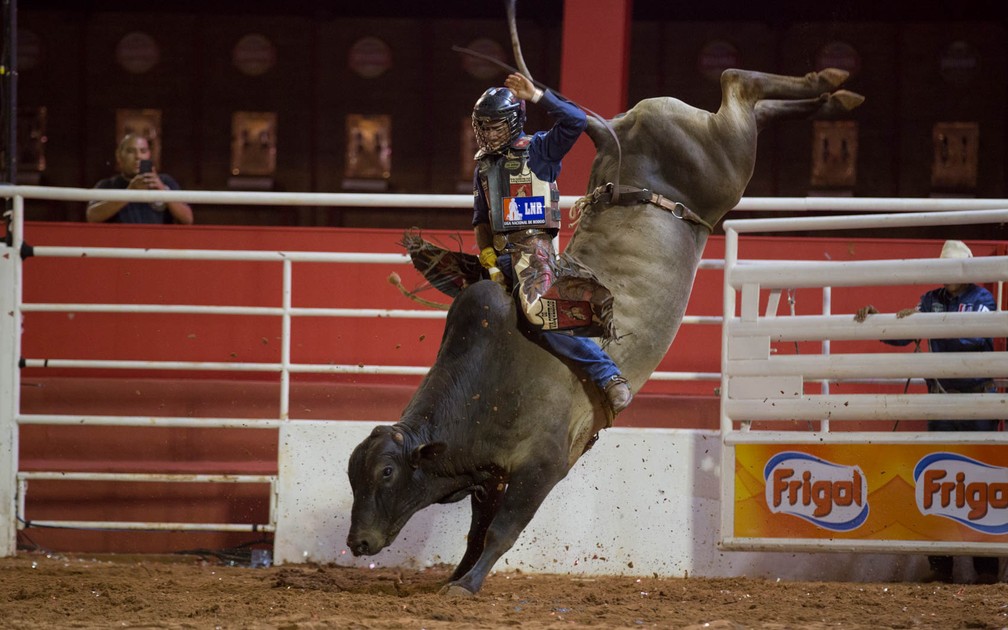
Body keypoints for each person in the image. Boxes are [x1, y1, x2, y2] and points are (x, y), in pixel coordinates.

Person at [470, 72, 632, 418]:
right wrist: (488, 259)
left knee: (539, 311)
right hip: (498, 254)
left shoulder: (540, 150)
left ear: (513, 124)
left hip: (533, 248)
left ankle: (607, 375)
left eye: (495, 126)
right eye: (483, 126)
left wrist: (536, 94)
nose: (487, 133)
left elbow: (575, 121)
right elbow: (481, 219)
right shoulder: (483, 167)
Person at [855, 239, 1000, 584]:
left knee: (978, 477)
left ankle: (986, 568)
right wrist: (879, 322)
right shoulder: (932, 300)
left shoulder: (981, 300)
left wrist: (927, 324)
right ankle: (941, 564)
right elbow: (904, 334)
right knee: (940, 478)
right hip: (943, 401)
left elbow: (974, 338)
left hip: (976, 401)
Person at [87, 134, 194, 224]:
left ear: (149, 155)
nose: (138, 156)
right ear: (119, 156)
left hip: (158, 244)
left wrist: (163, 192)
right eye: (130, 151)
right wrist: (130, 193)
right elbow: (92, 217)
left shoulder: (165, 181)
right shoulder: (107, 185)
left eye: (143, 151)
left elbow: (187, 219)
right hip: (121, 245)